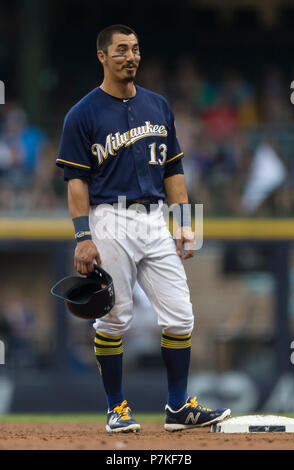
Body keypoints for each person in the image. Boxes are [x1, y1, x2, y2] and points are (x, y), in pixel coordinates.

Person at [56, 24, 231, 433]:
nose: (130, 57)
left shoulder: (158, 105)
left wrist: (186, 224)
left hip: (155, 218)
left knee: (181, 315)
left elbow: (174, 169)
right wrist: (83, 237)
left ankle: (177, 408)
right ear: (102, 56)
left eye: (135, 49)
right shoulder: (82, 114)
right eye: (120, 51)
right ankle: (117, 408)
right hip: (109, 218)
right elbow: (76, 183)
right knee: (114, 317)